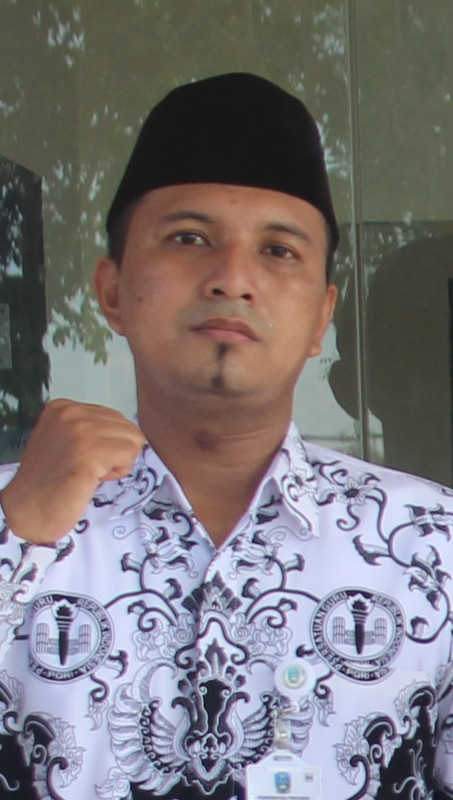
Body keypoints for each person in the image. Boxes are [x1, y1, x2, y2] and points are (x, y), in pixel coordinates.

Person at [0, 73, 451, 800]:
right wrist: (15, 534)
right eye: (188, 238)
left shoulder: (433, 545)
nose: (231, 277)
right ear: (111, 291)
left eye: (279, 250)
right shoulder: (20, 516)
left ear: (320, 316)